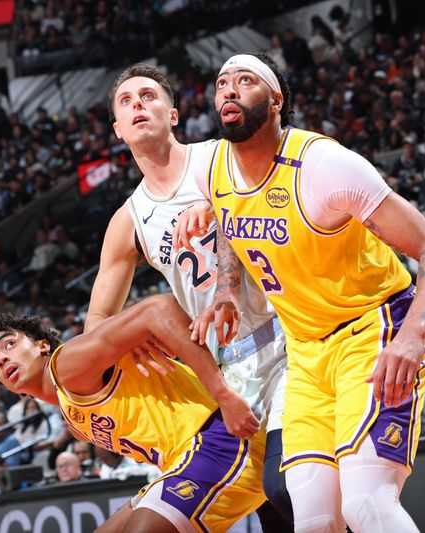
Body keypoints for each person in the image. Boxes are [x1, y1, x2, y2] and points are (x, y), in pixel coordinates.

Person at [175, 53, 425, 533]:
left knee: (366, 504)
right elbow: (228, 213)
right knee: (313, 519)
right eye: (222, 82)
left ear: (276, 101)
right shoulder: (213, 167)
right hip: (305, 351)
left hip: (373, 332)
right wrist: (226, 288)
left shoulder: (325, 166)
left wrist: (411, 336)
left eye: (245, 81)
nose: (228, 89)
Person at [91, 63, 291, 529]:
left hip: (288, 335)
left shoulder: (222, 156)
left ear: (174, 114)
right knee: (274, 512)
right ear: (118, 131)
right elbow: (97, 319)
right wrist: (126, 338)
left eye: (148, 96)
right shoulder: (129, 220)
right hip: (230, 370)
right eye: (126, 102)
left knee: (296, 488)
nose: (138, 105)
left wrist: (219, 203)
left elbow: (285, 193)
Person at [0, 296, 265, 533]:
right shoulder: (73, 418)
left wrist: (223, 395)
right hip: (190, 458)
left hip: (222, 437)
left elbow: (157, 308)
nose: (2, 358)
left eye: (9, 344)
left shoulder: (67, 365)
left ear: (42, 345)